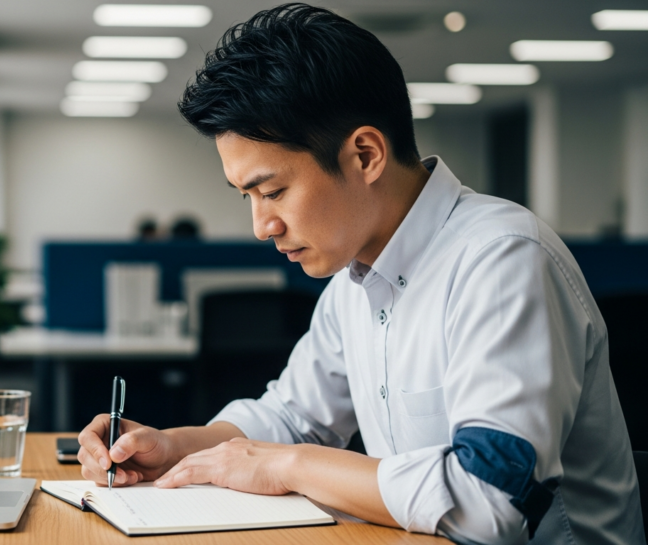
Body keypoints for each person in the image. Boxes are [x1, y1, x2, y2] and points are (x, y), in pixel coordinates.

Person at [77, 5, 645, 544]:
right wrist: (172, 447)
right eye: (247, 196)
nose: (262, 226)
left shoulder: (501, 260)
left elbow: (489, 501)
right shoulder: (357, 277)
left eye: (273, 191)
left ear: (366, 155)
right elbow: (292, 417)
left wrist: (285, 465)